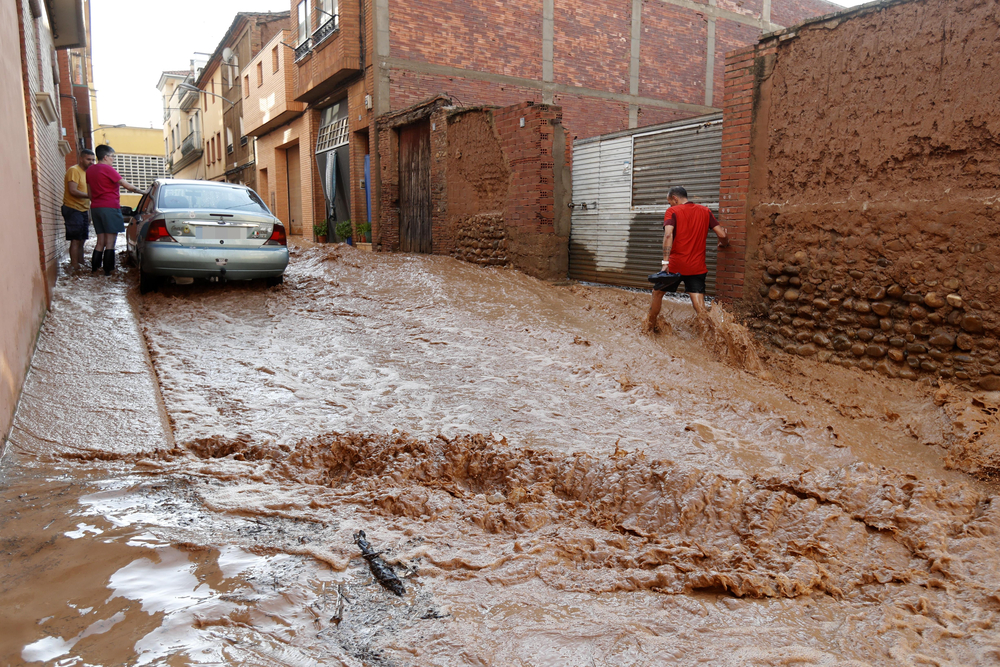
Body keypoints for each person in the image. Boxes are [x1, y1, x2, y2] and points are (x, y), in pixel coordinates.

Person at [645, 186, 729, 327]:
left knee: (657, 293)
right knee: (699, 305)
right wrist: (724, 244)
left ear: (675, 198)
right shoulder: (705, 211)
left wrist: (665, 261)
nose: (669, 205)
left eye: (669, 201)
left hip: (675, 266)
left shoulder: (672, 211)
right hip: (697, 267)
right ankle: (709, 335)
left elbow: (668, 235)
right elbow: (722, 235)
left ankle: (650, 325)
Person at [85, 144, 145, 275]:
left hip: (95, 208)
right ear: (105, 157)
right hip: (110, 207)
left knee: (100, 241)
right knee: (110, 242)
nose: (113, 159)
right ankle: (108, 272)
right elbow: (125, 185)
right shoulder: (108, 169)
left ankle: (94, 270)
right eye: (112, 157)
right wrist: (144, 192)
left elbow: (89, 193)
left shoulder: (90, 171)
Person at [61, 148, 96, 272]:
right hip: (72, 208)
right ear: (81, 159)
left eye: (93, 160)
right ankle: (74, 266)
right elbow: (73, 190)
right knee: (75, 239)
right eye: (88, 159)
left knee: (82, 239)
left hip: (83, 210)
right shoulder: (74, 170)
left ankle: (81, 264)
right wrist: (90, 196)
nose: (91, 162)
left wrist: (89, 211)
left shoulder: (88, 174)